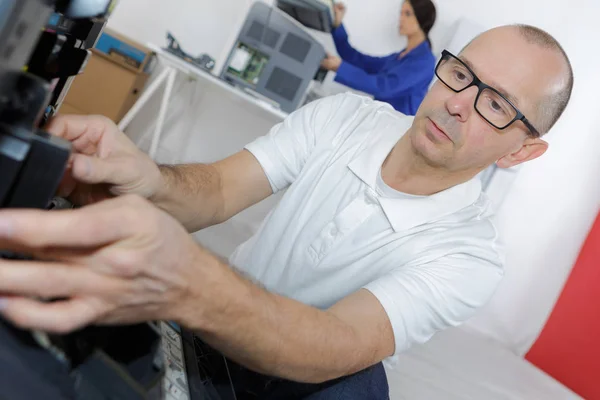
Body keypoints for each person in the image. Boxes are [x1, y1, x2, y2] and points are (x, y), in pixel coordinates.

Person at [0, 24, 573, 399]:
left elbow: (336, 343)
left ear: (523, 150)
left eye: (494, 104)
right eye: (459, 73)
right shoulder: (346, 119)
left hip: (291, 380)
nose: (457, 102)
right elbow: (219, 189)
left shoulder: (468, 255)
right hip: (207, 334)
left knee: (361, 385)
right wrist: (148, 177)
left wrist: (191, 282)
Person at [321, 0, 437, 115]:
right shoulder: (399, 58)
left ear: (422, 20)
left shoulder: (424, 62)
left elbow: (384, 87)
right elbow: (359, 61)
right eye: (401, 13)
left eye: (407, 14)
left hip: (395, 128)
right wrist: (338, 24)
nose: (401, 18)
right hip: (379, 120)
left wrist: (339, 67)